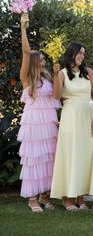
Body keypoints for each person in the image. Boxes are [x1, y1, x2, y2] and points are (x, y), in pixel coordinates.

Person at [50, 42, 93, 211]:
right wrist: (55, 74)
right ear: (72, 53)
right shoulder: (63, 74)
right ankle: (67, 197)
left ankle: (80, 196)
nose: (82, 56)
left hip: (87, 118)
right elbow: (57, 96)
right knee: (70, 155)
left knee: (84, 157)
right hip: (70, 117)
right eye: (80, 53)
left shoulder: (89, 73)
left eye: (84, 53)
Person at [17, 13, 60, 212]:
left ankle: (44, 195)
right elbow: (26, 52)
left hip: (48, 122)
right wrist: (23, 28)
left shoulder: (49, 77)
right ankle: (32, 198)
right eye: (41, 58)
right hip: (34, 123)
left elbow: (57, 96)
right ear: (35, 61)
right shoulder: (27, 78)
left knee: (48, 157)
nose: (43, 60)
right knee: (34, 158)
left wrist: (58, 74)